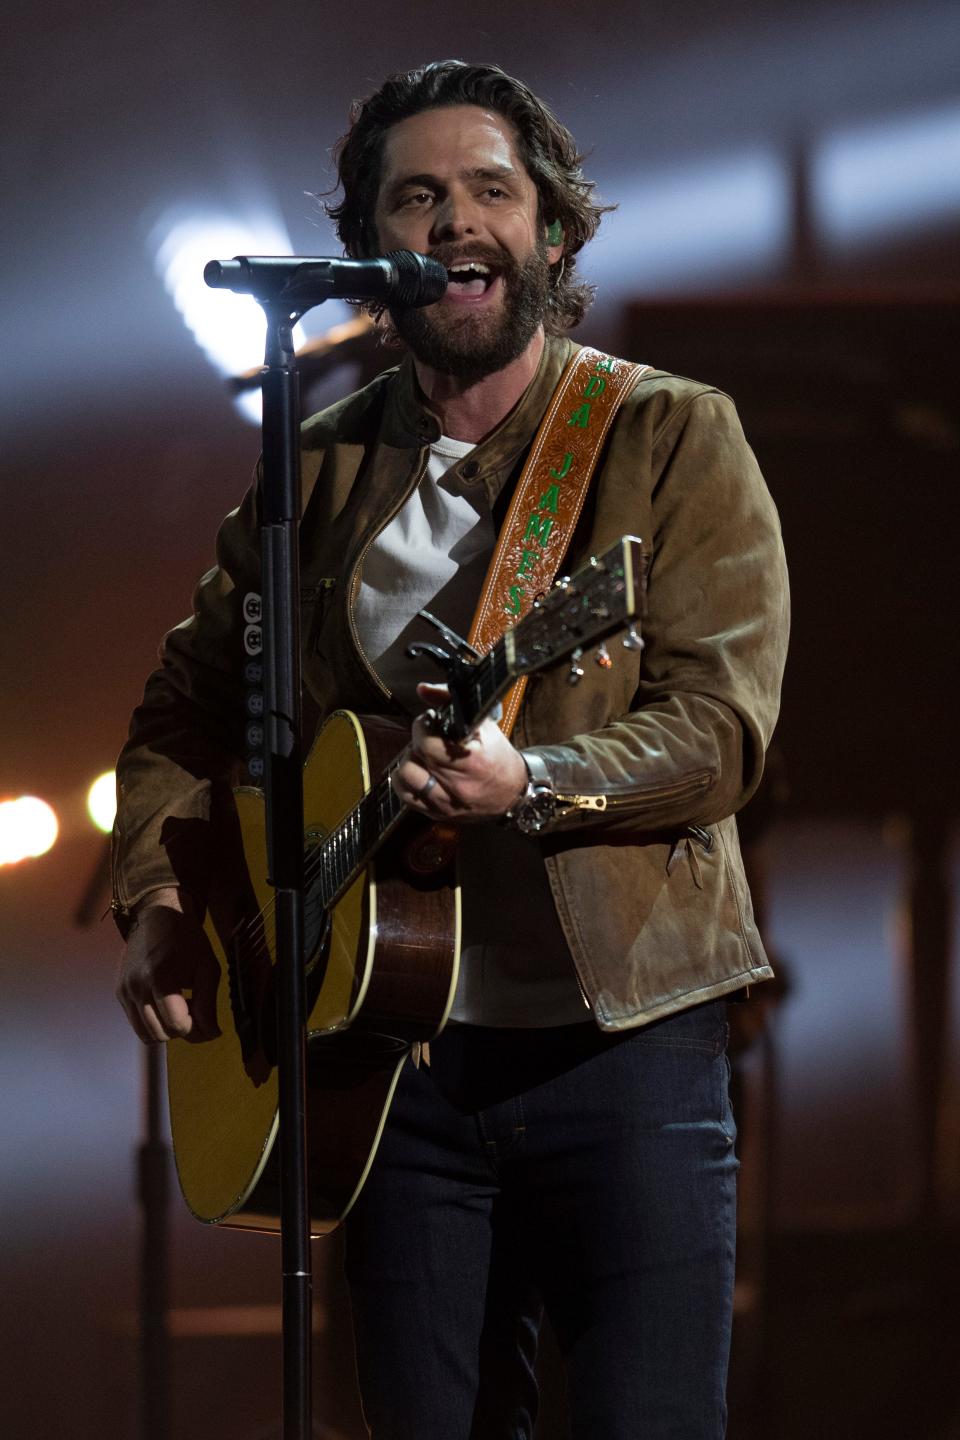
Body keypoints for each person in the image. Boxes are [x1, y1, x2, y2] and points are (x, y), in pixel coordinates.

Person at [113, 60, 789, 1440]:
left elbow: (721, 732)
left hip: (629, 1055)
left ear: (553, 232)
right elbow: (179, 718)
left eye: (492, 189)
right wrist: (169, 903)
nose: (456, 220)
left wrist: (528, 783)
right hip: (391, 1076)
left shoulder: (668, 437)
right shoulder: (317, 467)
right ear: (371, 246)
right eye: (415, 196)